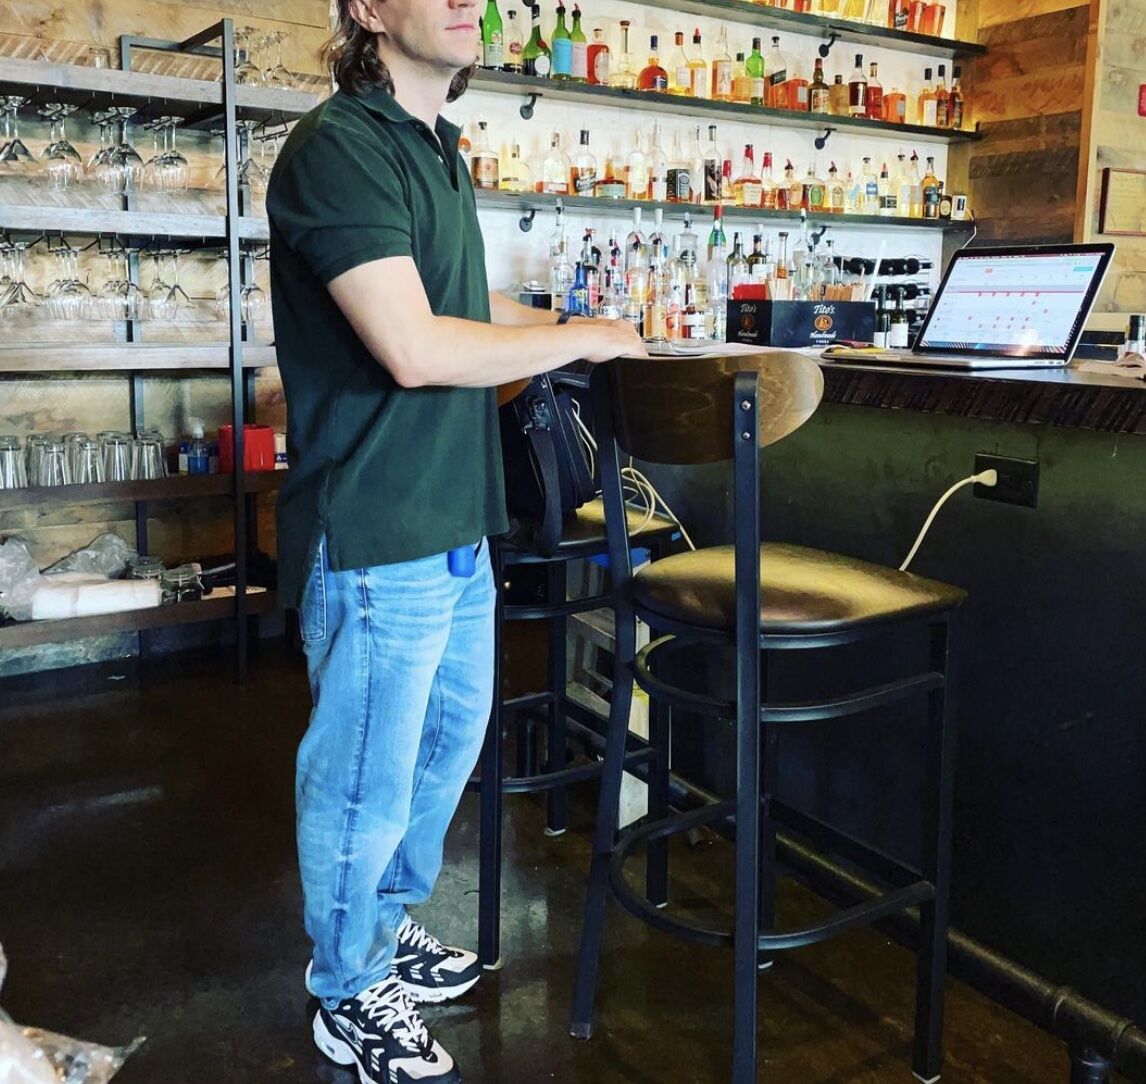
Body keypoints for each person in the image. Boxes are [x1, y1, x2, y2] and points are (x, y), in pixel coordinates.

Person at [266, 0, 645, 1080]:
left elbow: (471, 301)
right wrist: (577, 335)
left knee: (438, 760)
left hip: (455, 523)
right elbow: (414, 344)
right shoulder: (338, 148)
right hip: (378, 526)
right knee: (363, 783)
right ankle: (343, 987)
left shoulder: (437, 151)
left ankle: (377, 933)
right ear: (368, 11)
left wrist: (589, 324)